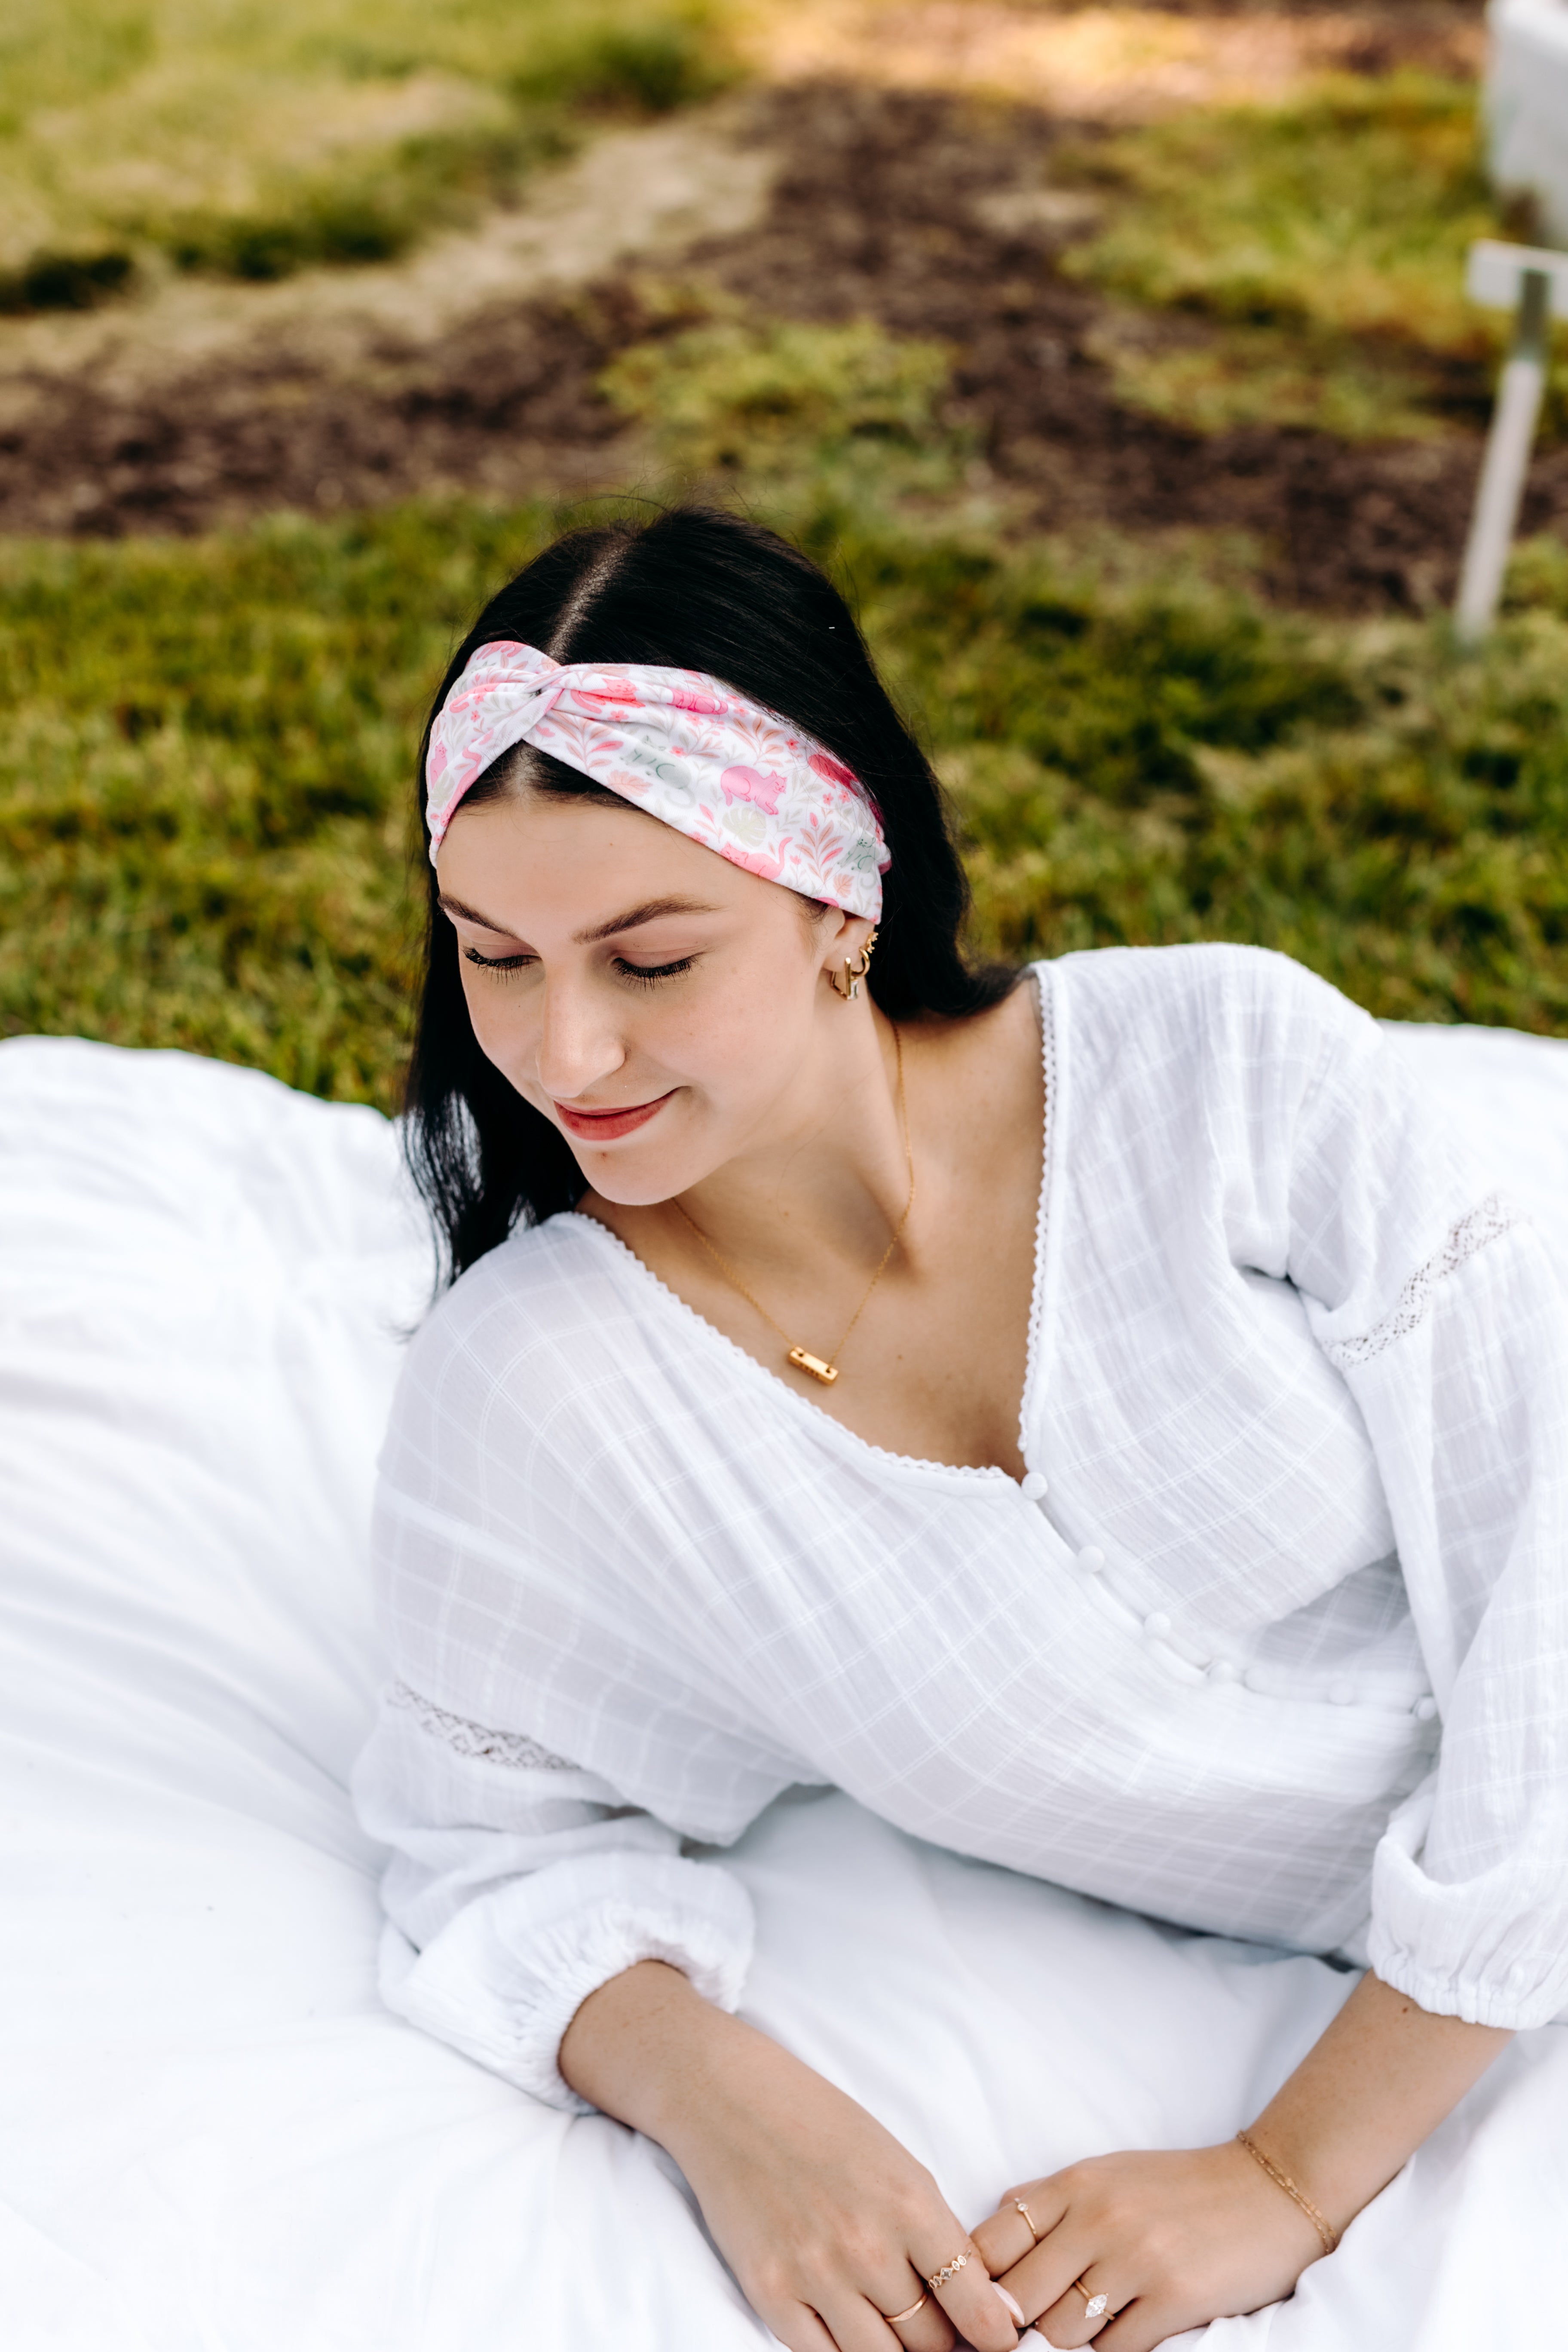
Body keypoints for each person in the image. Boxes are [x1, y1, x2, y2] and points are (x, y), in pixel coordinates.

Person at [351, 504, 1566, 2352]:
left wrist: (1295, 2174)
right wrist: (740, 2115)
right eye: (493, 956)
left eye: (651, 958)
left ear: (842, 893)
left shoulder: (1234, 1073)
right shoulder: (541, 1399)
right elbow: (485, 1847)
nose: (564, 1052)